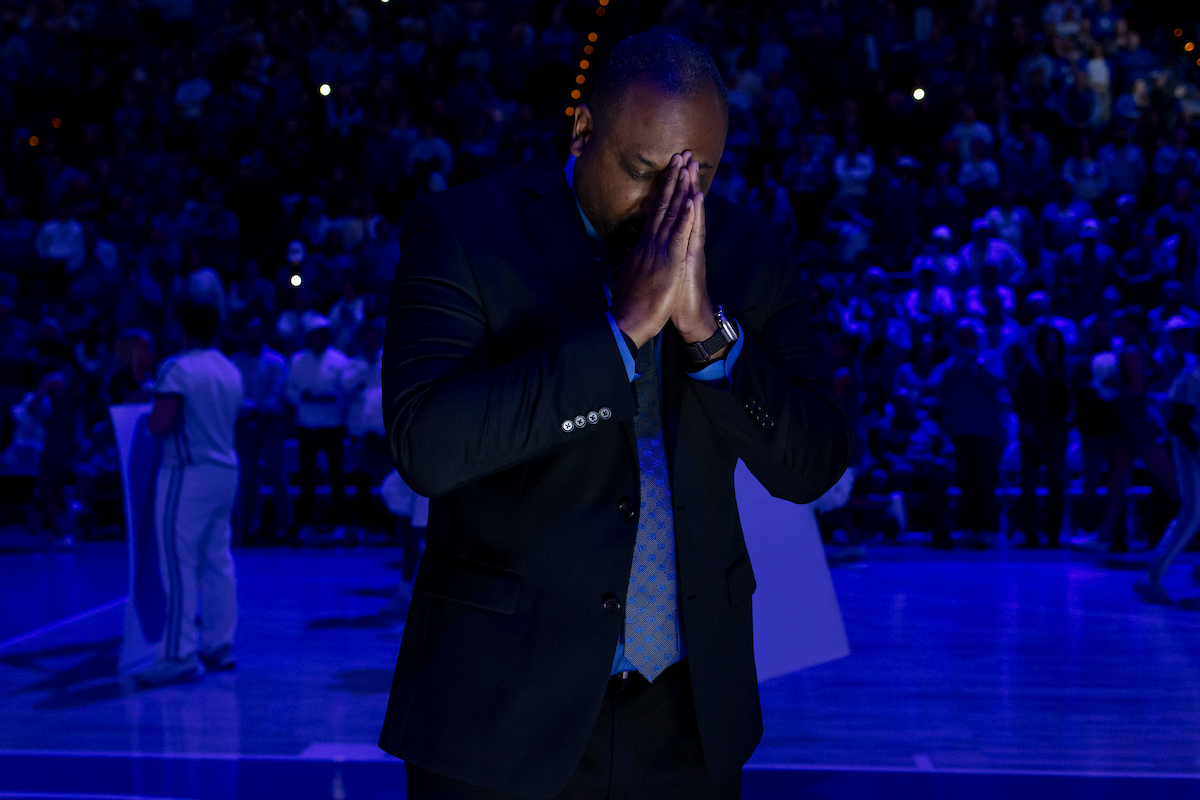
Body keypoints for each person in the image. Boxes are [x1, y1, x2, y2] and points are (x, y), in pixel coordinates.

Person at [381, 31, 851, 800]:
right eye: (642, 172)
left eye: (694, 179)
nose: (667, 206)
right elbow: (426, 446)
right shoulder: (463, 231)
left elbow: (814, 464)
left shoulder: (751, 250)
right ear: (582, 131)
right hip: (500, 711)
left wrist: (708, 335)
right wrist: (620, 333)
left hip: (691, 715)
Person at [134, 299, 244, 687]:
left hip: (187, 472)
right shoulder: (229, 368)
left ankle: (179, 654)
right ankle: (219, 643)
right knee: (217, 560)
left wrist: (149, 403)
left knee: (178, 563)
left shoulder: (177, 368)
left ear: (182, 327)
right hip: (225, 471)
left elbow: (160, 425)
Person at [1136, 319, 1200, 603]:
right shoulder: (1193, 376)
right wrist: (1197, 450)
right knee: (1192, 513)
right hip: (1191, 452)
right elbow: (1179, 422)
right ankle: (1151, 576)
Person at [284, 314, 351, 543]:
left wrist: (332, 398)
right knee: (306, 476)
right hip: (307, 425)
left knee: (336, 475)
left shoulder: (340, 361)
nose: (318, 338)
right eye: (314, 335)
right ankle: (306, 522)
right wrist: (302, 397)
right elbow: (289, 391)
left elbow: (347, 392)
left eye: (322, 334)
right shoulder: (297, 360)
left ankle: (339, 521)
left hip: (333, 425)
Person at [231, 317, 292, 544]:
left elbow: (278, 391)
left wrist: (261, 410)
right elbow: (235, 392)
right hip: (246, 423)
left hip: (272, 423)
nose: (253, 336)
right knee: (248, 478)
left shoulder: (277, 360)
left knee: (277, 475)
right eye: (249, 331)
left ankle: (283, 527)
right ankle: (249, 528)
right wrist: (251, 409)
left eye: (256, 331)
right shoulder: (235, 362)